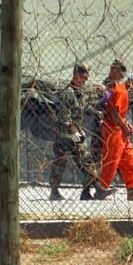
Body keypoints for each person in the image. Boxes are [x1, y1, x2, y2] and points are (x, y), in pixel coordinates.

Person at [93, 70, 133, 201]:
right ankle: (102, 188)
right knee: (112, 159)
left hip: (120, 130)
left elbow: (120, 114)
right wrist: (124, 126)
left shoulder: (123, 90)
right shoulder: (121, 91)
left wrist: (126, 125)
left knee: (129, 159)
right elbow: (114, 112)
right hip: (113, 130)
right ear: (132, 82)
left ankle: (132, 189)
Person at [49, 62, 102, 201]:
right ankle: (54, 191)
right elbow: (64, 118)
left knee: (86, 160)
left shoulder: (81, 93)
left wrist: (97, 112)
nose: (85, 79)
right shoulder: (67, 93)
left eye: (86, 77)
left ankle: (95, 188)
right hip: (64, 135)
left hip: (76, 134)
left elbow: (84, 108)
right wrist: (75, 133)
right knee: (60, 164)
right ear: (76, 74)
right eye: (83, 76)